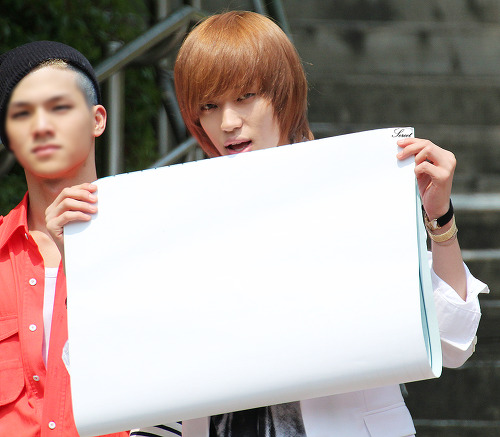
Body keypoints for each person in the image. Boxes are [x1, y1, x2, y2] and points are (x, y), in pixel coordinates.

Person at [46, 11, 488, 437]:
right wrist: (84, 259)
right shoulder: (170, 218)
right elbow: (124, 371)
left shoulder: (351, 192)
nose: (228, 122)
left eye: (245, 97)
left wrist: (440, 220)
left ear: (283, 93)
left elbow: (452, 340)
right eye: (209, 105)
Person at [0, 41, 129, 437]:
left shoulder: (146, 241)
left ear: (97, 119)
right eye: (22, 114)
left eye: (59, 107)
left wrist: (82, 257)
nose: (41, 127)